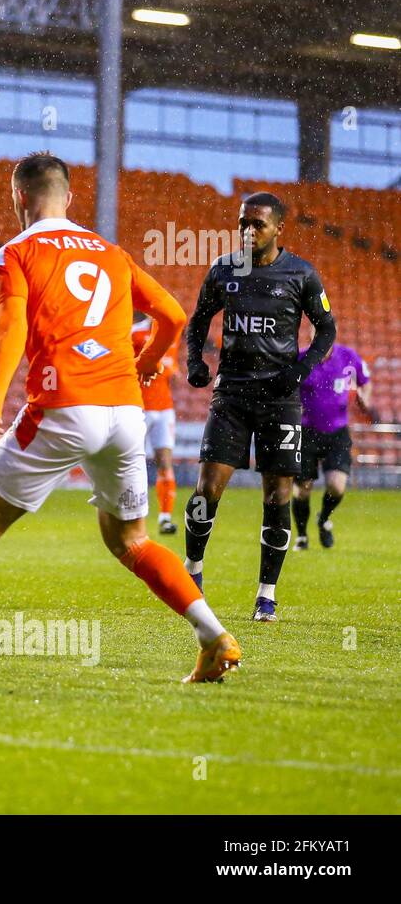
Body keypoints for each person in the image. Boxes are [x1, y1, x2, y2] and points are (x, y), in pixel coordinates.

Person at [0, 152, 240, 683]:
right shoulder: (111, 253)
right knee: (132, 541)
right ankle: (214, 635)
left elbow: (9, 324)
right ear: (70, 199)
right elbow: (172, 315)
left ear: (18, 197)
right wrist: (144, 369)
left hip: (63, 405)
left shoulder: (13, 254)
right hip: (125, 413)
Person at [183, 192, 336, 623]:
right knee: (206, 489)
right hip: (231, 394)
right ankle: (192, 571)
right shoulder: (224, 269)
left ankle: (266, 594)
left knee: (278, 495)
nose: (248, 232)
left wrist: (302, 369)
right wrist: (196, 361)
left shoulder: (301, 274)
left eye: (258, 225)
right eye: (242, 223)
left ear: (278, 228)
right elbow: (198, 320)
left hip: (280, 401)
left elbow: (326, 327)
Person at [293, 344, 373, 550]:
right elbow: (287, 385)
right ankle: (302, 536)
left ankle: (323, 519)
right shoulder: (301, 358)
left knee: (337, 487)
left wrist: (365, 397)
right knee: (302, 491)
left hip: (337, 433)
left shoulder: (348, 356)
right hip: (306, 433)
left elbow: (365, 381)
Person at [131, 312, 179, 534]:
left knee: (165, 463)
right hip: (139, 407)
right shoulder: (136, 333)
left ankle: (165, 518)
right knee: (133, 462)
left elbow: (172, 368)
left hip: (165, 408)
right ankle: (132, 515)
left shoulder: (172, 335)